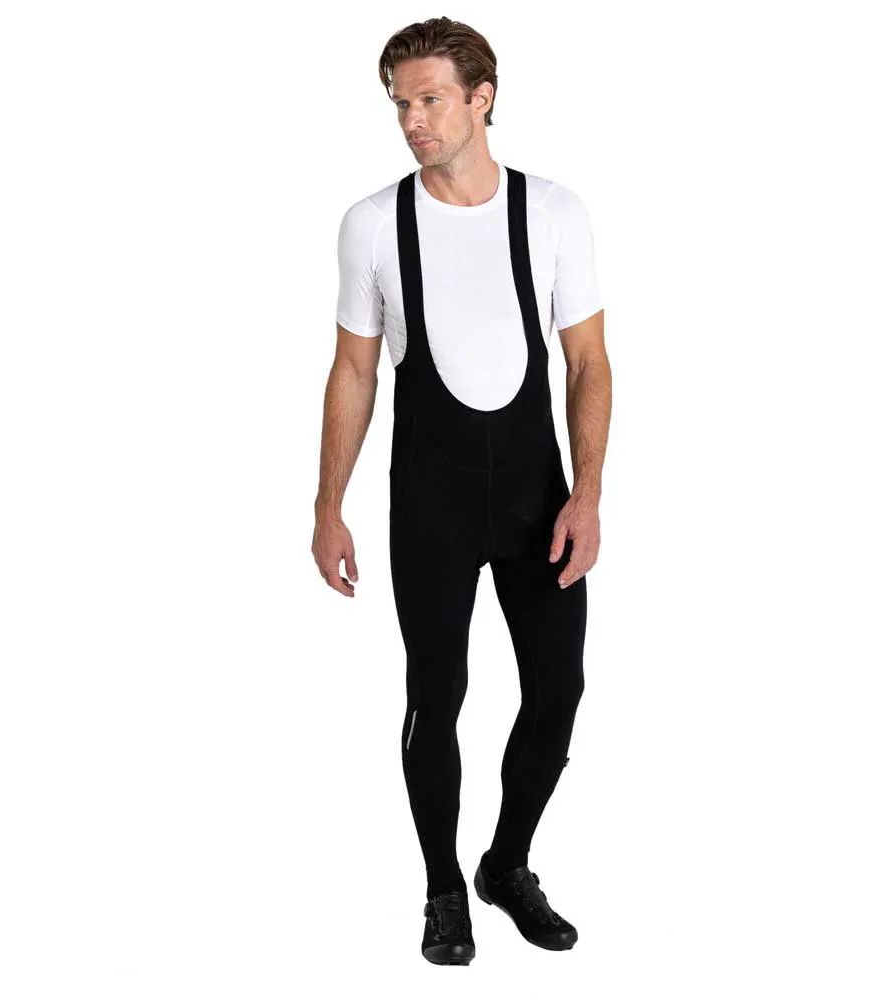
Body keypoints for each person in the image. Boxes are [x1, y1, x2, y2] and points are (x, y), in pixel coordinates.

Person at [312, 17, 612, 965]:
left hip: (537, 503)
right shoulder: (374, 223)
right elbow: (353, 370)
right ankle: (444, 888)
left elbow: (588, 362)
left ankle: (506, 864)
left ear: (483, 99)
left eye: (431, 99)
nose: (413, 119)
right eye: (400, 102)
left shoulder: (552, 212)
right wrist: (327, 505)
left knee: (558, 691)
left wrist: (588, 494)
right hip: (429, 503)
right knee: (435, 693)